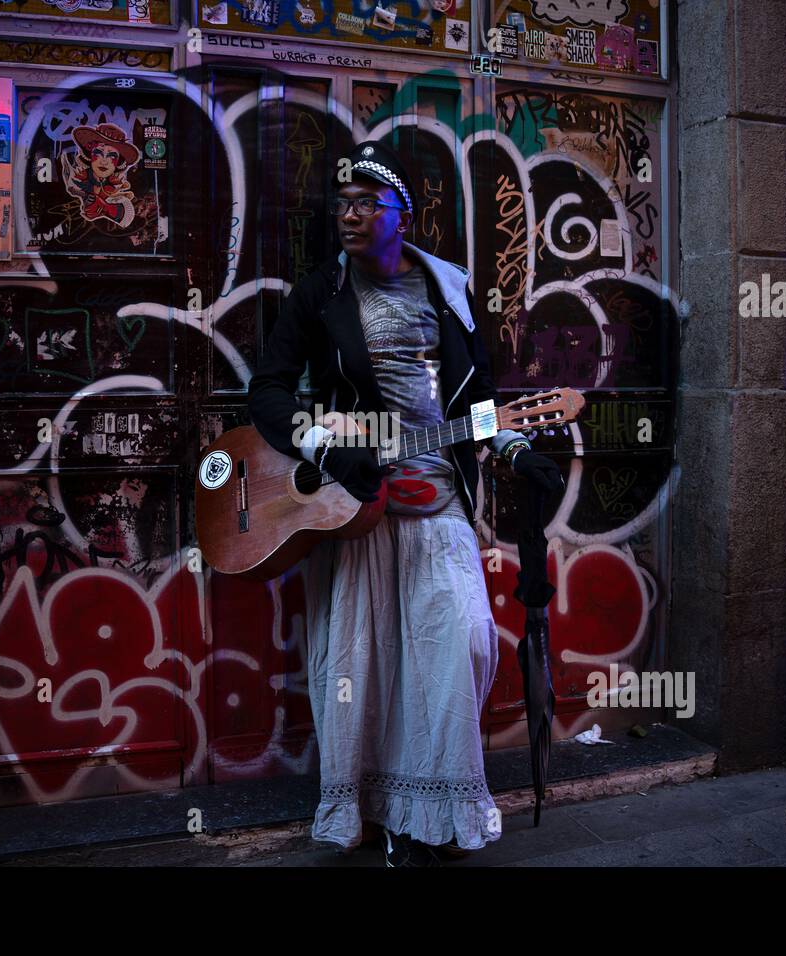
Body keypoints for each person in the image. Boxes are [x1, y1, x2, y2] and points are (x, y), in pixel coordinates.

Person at [246, 139, 562, 866]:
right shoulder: (318, 293)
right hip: (354, 507)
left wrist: (516, 449)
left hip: (439, 502)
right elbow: (265, 392)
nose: (349, 215)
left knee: (462, 644)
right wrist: (323, 445)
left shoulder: (449, 292)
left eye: (366, 203)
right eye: (342, 204)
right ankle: (392, 820)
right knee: (363, 669)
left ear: (404, 216)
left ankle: (436, 808)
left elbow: (479, 403)